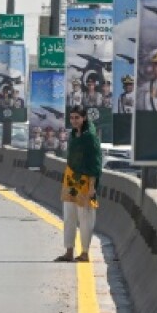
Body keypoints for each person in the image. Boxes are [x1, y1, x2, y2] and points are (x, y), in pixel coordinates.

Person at [55, 106, 103, 263]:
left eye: (77, 117)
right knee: (69, 216)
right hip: (71, 179)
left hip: (86, 181)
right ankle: (69, 251)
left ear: (84, 118)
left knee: (85, 217)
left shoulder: (90, 138)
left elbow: (95, 163)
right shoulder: (73, 136)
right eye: (72, 118)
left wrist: (92, 186)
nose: (74, 120)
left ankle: (85, 253)